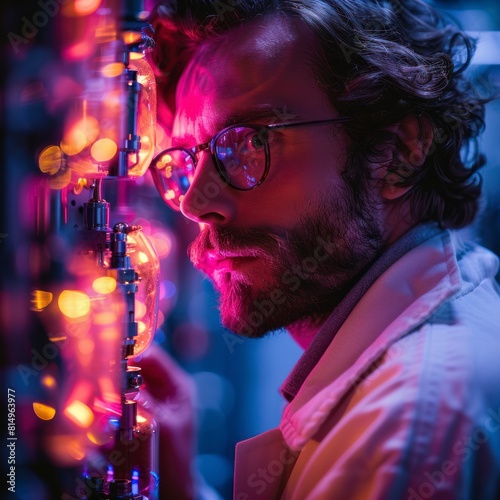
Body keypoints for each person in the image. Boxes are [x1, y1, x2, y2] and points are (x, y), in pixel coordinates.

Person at [136, 0, 500, 498]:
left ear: (397, 154)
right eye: (187, 162)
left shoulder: (410, 424)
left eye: (246, 144)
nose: (197, 204)